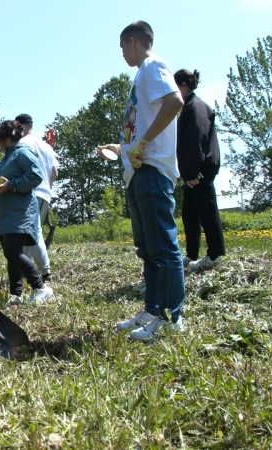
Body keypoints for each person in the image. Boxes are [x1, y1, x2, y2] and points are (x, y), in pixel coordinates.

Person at [97, 21, 185, 342]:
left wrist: (143, 144)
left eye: (122, 47)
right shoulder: (141, 75)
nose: (122, 54)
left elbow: (175, 102)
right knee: (147, 250)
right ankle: (152, 310)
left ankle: (172, 318)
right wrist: (121, 148)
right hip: (137, 171)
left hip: (151, 171)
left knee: (163, 247)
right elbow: (140, 128)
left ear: (132, 41)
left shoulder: (152, 65)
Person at [0, 120, 54, 305]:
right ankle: (16, 295)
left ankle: (40, 287)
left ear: (5, 138)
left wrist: (11, 186)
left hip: (19, 213)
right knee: (11, 255)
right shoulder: (4, 159)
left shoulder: (22, 152)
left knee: (13, 252)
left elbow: (36, 176)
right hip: (4, 215)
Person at [174, 69, 226, 272]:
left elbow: (197, 140)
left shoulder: (195, 107)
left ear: (183, 85)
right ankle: (192, 255)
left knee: (207, 213)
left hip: (200, 172)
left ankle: (214, 255)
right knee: (189, 215)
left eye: (174, 86)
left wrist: (194, 172)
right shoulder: (189, 107)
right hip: (193, 172)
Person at [15, 113, 58, 283]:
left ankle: (31, 270)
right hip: (45, 193)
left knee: (29, 232)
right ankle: (30, 270)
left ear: (22, 126)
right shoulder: (47, 146)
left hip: (29, 191)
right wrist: (48, 186)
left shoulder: (22, 143)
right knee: (33, 231)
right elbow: (55, 173)